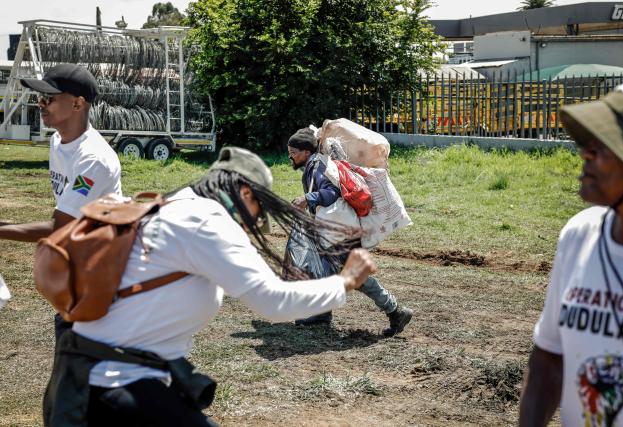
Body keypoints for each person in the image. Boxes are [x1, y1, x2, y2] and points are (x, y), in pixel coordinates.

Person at [45, 146, 377, 426]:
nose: (252, 222)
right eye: (257, 209)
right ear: (245, 192)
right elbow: (273, 302)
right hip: (116, 387)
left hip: (83, 380)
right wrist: (344, 282)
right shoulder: (207, 220)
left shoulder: (170, 209)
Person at [519, 82, 623, 427]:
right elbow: (549, 359)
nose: (585, 153)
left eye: (604, 146)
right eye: (587, 143)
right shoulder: (580, 234)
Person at [0, 63, 122, 339]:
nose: (41, 105)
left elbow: (60, 227)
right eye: (40, 98)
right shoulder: (58, 141)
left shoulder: (93, 159)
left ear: (78, 104)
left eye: (49, 99)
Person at [287, 127, 413, 337]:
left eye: (293, 151)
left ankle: (396, 311)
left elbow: (332, 192)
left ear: (306, 152)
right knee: (323, 267)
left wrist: (307, 199)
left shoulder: (317, 166)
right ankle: (322, 313)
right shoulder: (314, 164)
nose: (290, 155)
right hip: (339, 229)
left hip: (340, 231)